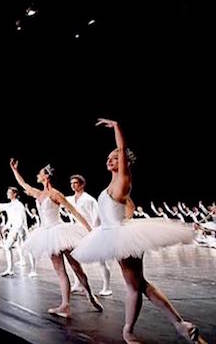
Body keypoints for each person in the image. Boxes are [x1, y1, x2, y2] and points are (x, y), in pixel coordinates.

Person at [71, 119, 200, 343]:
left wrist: (117, 126)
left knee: (135, 286)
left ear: (124, 162)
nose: (110, 159)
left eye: (115, 157)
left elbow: (121, 148)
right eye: (108, 158)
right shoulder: (110, 186)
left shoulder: (123, 179)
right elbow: (118, 210)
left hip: (121, 237)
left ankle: (131, 331)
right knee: (139, 285)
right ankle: (179, 325)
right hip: (112, 235)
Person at [10, 159, 102, 317]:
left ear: (46, 176)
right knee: (60, 271)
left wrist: (90, 230)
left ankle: (90, 295)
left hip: (61, 232)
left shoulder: (55, 194)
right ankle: (65, 305)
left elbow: (74, 212)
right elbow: (23, 184)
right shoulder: (38, 194)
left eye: (40, 173)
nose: (37, 175)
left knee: (76, 267)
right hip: (46, 233)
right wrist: (14, 170)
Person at [65, 174, 112, 296]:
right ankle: (78, 283)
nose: (73, 185)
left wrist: (94, 232)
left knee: (101, 260)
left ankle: (107, 287)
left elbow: (97, 217)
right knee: (75, 258)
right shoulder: (70, 199)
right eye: (71, 183)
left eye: (75, 183)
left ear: (82, 184)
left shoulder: (89, 199)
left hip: (91, 230)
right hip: (77, 231)